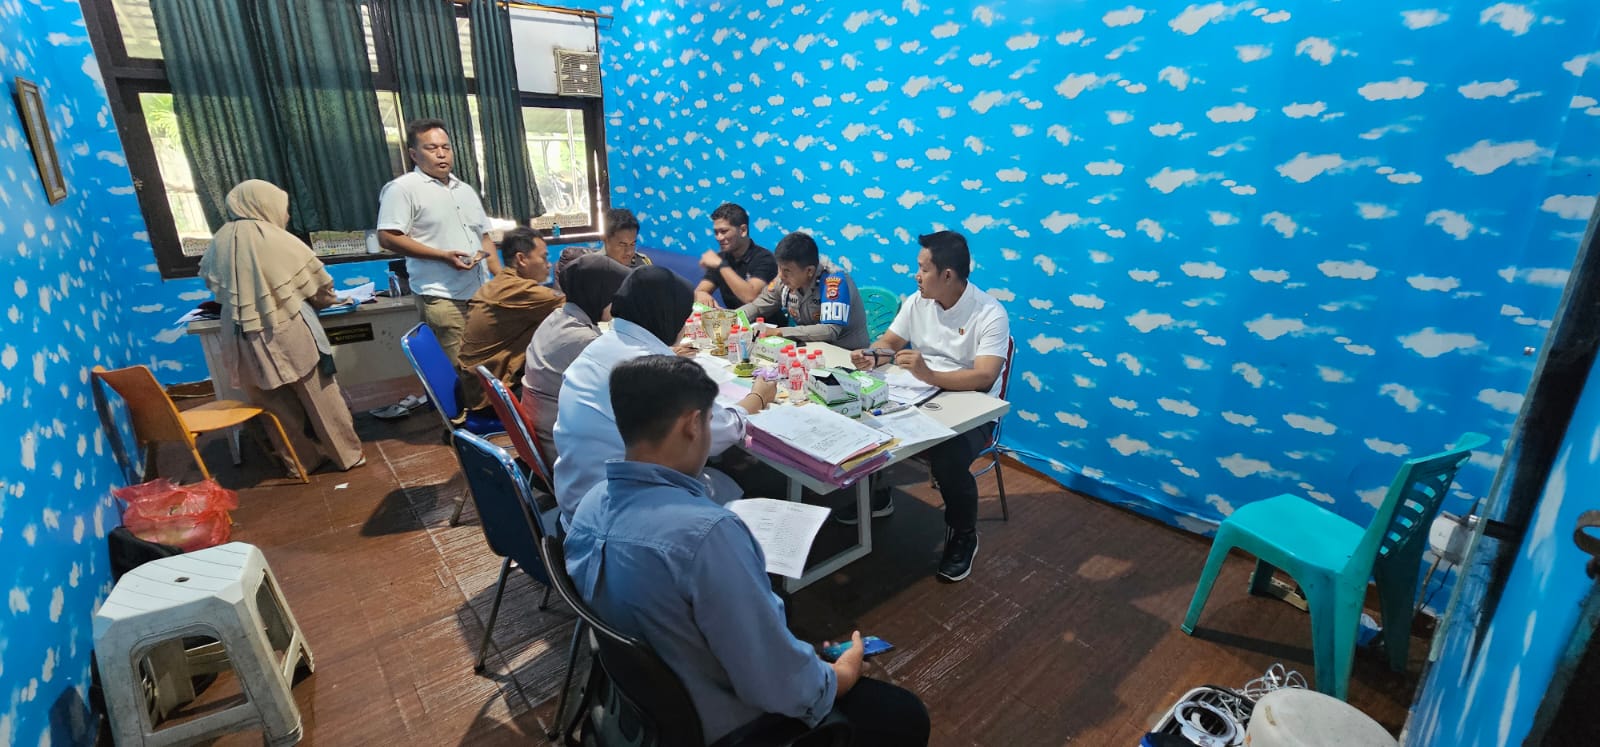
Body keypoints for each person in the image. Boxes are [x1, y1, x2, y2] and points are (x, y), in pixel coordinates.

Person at [565, 355, 930, 746]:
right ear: (692, 425)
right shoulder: (707, 536)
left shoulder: (589, 506)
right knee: (905, 716)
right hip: (723, 726)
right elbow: (779, 686)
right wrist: (840, 675)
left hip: (642, 706)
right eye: (710, 420)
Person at [552, 267, 777, 529]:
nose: (684, 326)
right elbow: (715, 432)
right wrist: (758, 397)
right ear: (668, 316)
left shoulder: (599, 347)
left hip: (580, 504)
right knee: (756, 478)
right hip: (626, 521)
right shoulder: (654, 371)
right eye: (683, 317)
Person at [848, 231, 1010, 582]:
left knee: (949, 458)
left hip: (973, 407)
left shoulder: (990, 313)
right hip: (919, 392)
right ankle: (877, 494)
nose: (916, 275)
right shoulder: (917, 302)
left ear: (947, 275)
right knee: (865, 415)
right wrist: (874, 355)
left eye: (923, 269)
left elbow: (985, 377)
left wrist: (930, 374)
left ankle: (964, 535)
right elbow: (891, 341)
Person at [198, 180, 366, 473]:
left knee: (273, 405)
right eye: (283, 208)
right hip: (285, 328)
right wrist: (328, 300)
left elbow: (215, 287)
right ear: (264, 205)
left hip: (239, 336)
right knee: (321, 397)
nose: (286, 215)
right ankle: (347, 456)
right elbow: (319, 286)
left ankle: (301, 463)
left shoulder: (219, 242)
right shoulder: (276, 238)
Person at [376, 118, 499, 365]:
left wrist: (503, 279)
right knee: (462, 368)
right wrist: (443, 256)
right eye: (431, 148)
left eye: (446, 147)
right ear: (414, 154)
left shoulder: (465, 190)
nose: (441, 154)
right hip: (442, 297)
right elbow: (387, 237)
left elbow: (484, 237)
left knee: (486, 364)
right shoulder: (403, 189)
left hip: (479, 295)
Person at [521, 252, 631, 465]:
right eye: (615, 295)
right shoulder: (583, 339)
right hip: (566, 450)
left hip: (543, 432)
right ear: (598, 294)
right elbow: (623, 388)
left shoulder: (556, 318)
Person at [456, 228, 563, 413]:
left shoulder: (501, 283)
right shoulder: (517, 290)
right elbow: (575, 304)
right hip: (491, 398)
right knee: (572, 394)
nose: (548, 264)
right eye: (544, 257)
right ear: (521, 259)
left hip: (480, 386)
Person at [735, 231, 870, 349]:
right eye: (779, 268)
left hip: (846, 354)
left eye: (787, 270)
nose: (781, 275)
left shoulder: (833, 281)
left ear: (809, 271)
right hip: (811, 348)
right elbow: (759, 306)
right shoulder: (784, 280)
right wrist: (732, 317)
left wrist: (780, 332)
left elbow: (830, 330)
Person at [694, 203, 777, 308]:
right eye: (716, 232)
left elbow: (750, 297)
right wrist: (701, 294)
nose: (719, 237)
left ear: (743, 230)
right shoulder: (721, 258)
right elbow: (700, 291)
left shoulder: (765, 258)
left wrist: (721, 265)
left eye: (724, 231)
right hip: (734, 317)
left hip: (764, 318)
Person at [552, 207, 650, 293]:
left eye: (632, 244)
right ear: (605, 238)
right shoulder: (590, 270)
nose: (629, 252)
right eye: (622, 244)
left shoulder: (642, 263)